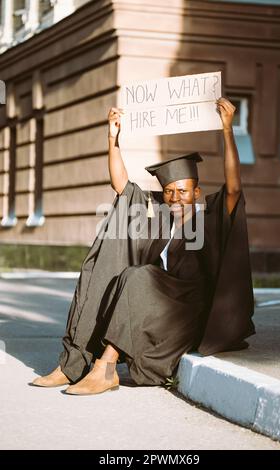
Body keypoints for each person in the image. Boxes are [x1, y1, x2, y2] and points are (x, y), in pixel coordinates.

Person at [31, 97, 255, 395]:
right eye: (169, 191)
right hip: (156, 300)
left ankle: (106, 369)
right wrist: (113, 137)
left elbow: (234, 186)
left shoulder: (210, 215)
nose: (175, 198)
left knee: (139, 277)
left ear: (197, 192)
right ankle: (73, 364)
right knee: (113, 273)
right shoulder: (158, 212)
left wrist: (227, 130)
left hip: (188, 307)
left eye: (183, 191)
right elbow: (121, 185)